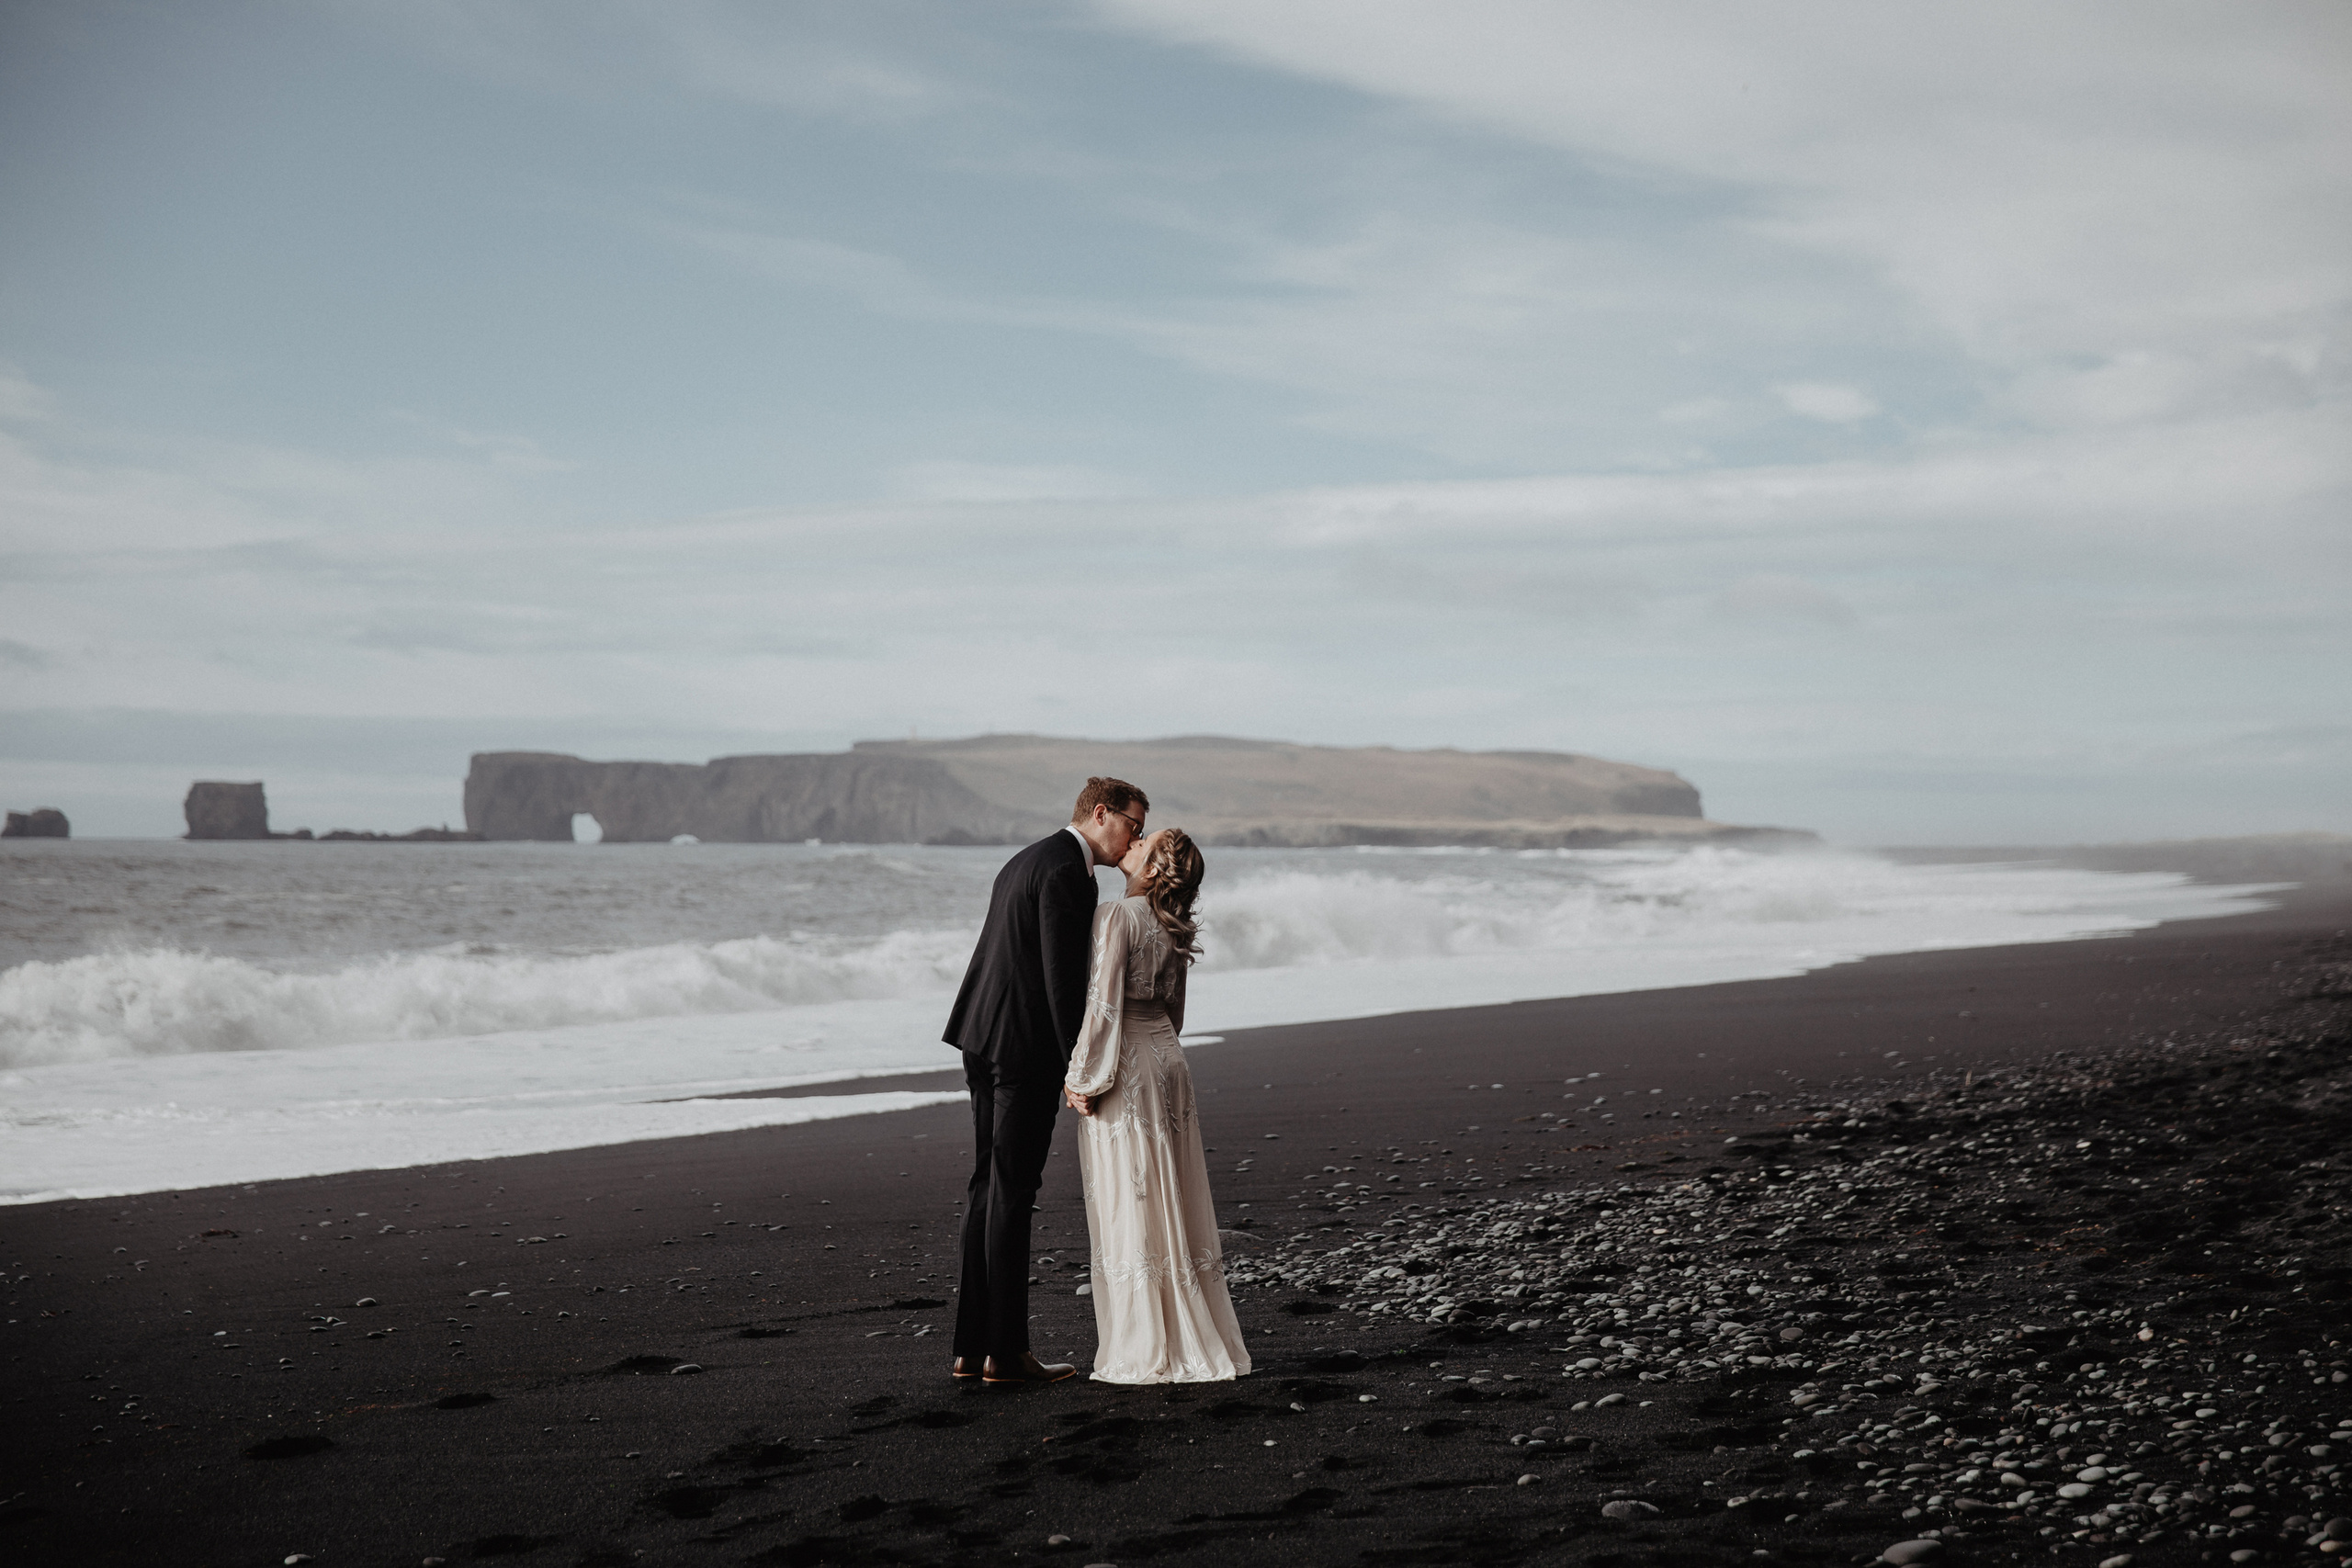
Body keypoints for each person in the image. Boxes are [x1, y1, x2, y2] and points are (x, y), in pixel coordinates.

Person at [943, 776, 1148, 1384]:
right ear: (1102, 812)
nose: (1134, 837)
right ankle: (1005, 1354)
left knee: (988, 1186)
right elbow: (1062, 984)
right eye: (1132, 823)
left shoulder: (1027, 857)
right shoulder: (1066, 871)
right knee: (1010, 1193)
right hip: (1021, 1052)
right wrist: (1078, 1069)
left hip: (980, 1036)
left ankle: (970, 1347)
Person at [1062, 828, 1250, 1383]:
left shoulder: (1117, 916)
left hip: (1128, 1067)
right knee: (1172, 1189)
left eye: (1143, 844)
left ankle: (1146, 1344)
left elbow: (1103, 1006)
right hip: (1171, 1063)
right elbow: (1176, 1013)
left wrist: (1081, 1077)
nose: (1131, 844)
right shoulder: (1173, 925)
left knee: (1133, 1195)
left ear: (1153, 867)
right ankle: (1192, 1330)